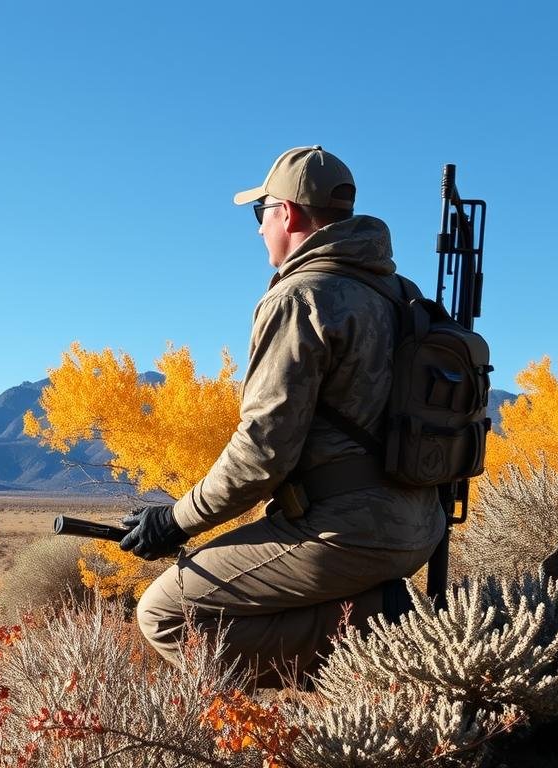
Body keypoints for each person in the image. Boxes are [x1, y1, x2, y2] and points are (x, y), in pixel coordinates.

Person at [119, 146, 444, 687]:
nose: (258, 229)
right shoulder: (400, 296)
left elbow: (260, 454)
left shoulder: (301, 297)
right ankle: (378, 622)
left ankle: (376, 628)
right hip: (421, 526)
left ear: (288, 213)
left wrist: (174, 520)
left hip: (346, 534)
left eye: (260, 213)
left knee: (166, 614)